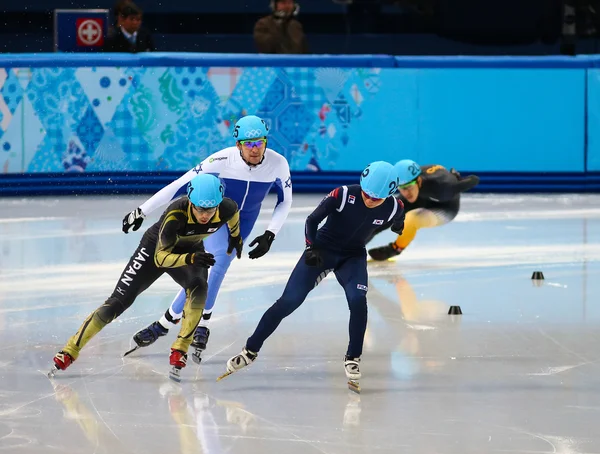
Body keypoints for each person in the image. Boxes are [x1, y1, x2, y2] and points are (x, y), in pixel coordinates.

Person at [219, 161, 405, 392]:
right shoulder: (344, 194)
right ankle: (250, 350)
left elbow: (399, 216)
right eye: (366, 193)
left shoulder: (395, 206)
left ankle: (353, 357)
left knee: (358, 301)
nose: (369, 199)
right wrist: (311, 247)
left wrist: (399, 226)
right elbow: (312, 220)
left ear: (387, 195)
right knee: (289, 302)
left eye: (375, 199)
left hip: (353, 257)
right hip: (322, 250)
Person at [122, 115, 293, 364]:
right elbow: (180, 184)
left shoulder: (278, 163)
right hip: (215, 215)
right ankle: (202, 323)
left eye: (260, 143)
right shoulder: (221, 159)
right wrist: (142, 210)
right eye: (249, 144)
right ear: (238, 145)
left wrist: (270, 233)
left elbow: (285, 200)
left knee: (215, 268)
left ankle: (165, 322)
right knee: (218, 262)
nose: (256, 149)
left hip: (243, 222)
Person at [49, 174, 241, 382]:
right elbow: (161, 258)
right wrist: (191, 257)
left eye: (211, 210)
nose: (205, 215)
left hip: (190, 251)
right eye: (200, 209)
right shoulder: (175, 215)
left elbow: (233, 217)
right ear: (190, 202)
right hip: (155, 251)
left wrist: (236, 236)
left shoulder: (226, 207)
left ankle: (179, 350)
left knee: (199, 288)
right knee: (118, 302)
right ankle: (69, 350)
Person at [368, 160, 480, 261]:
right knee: (385, 216)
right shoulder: (410, 182)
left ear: (419, 181)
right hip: (421, 198)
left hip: (446, 208)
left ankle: (394, 249)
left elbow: (474, 179)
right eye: (401, 188)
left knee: (411, 219)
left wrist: (457, 180)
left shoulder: (444, 187)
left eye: (409, 187)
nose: (406, 192)